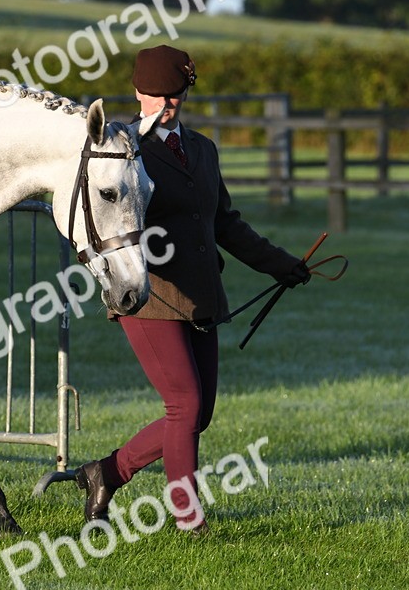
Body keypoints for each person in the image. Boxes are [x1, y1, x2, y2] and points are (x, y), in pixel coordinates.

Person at [74, 44, 310, 535]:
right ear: (138, 93)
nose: (166, 106)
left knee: (197, 415)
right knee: (183, 404)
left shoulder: (203, 150)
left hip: (202, 295)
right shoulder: (119, 148)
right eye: (156, 96)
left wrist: (281, 265)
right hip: (148, 293)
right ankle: (188, 517)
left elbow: (225, 223)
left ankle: (106, 472)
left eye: (175, 97)